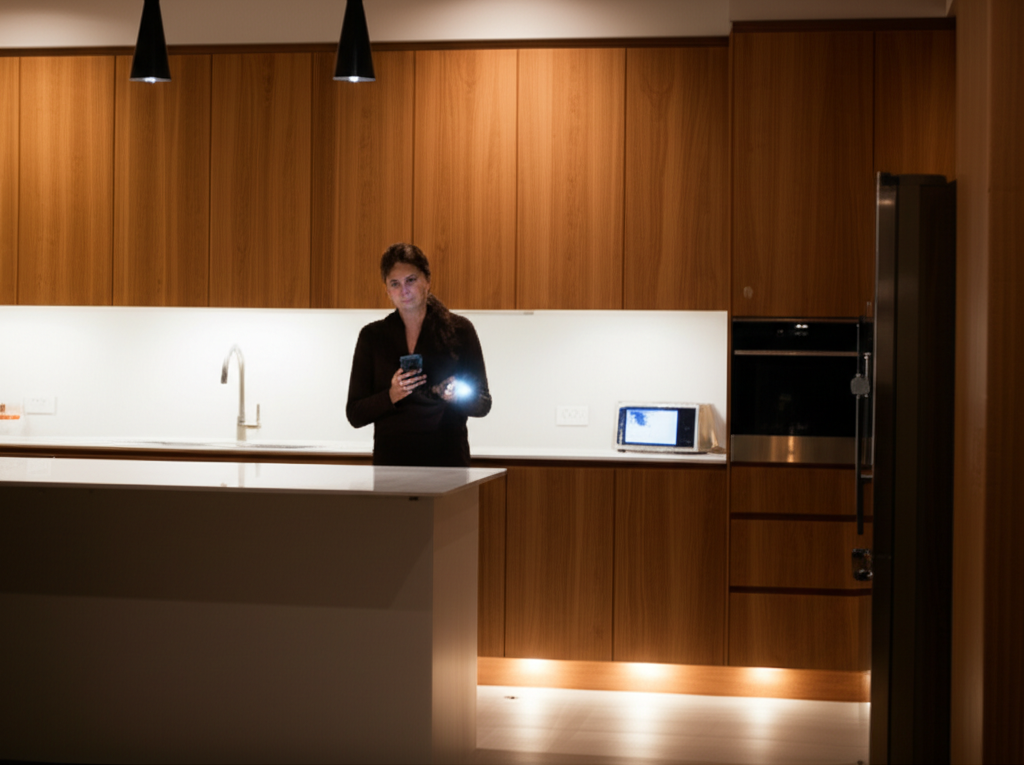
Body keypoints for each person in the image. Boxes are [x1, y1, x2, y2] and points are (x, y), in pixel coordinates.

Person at [346, 243, 492, 466]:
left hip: (447, 462)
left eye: (411, 280)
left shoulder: (460, 330)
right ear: (387, 290)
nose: (404, 290)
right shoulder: (372, 336)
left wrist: (456, 396)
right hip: (392, 466)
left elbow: (483, 404)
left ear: (427, 281)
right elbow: (355, 414)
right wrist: (392, 395)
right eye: (395, 283)